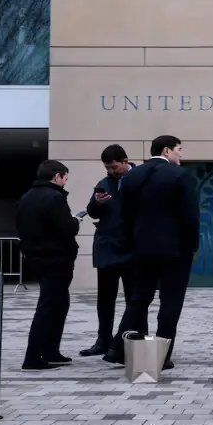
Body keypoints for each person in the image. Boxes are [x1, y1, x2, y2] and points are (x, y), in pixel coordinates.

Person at [102, 135, 199, 370]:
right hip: (174, 251)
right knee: (170, 302)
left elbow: (124, 214)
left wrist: (133, 242)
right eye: (179, 150)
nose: (181, 155)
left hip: (142, 249)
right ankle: (162, 355)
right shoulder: (180, 175)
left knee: (139, 298)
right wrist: (191, 246)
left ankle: (117, 348)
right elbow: (190, 216)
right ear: (166, 151)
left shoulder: (132, 176)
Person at [17, 160, 82, 370]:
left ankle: (51, 351)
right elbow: (66, 229)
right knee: (48, 307)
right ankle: (33, 356)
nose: (65, 182)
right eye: (65, 178)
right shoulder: (55, 198)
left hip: (36, 258)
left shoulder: (26, 197)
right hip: (56, 259)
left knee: (59, 303)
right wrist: (75, 221)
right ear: (56, 176)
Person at [79, 144, 142, 357]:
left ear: (125, 162)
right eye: (107, 167)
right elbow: (91, 212)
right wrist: (97, 203)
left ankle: (135, 338)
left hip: (133, 248)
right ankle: (103, 340)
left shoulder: (140, 179)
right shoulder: (104, 184)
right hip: (108, 249)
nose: (111, 171)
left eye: (114, 167)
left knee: (135, 298)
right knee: (105, 298)